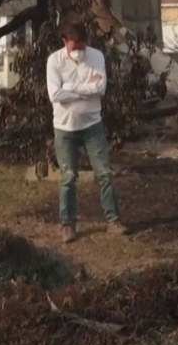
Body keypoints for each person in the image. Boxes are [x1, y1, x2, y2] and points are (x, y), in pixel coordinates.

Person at [46, 21, 127, 243]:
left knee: (104, 173)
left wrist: (69, 88)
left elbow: (99, 88)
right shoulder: (54, 61)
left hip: (92, 125)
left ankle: (113, 220)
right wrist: (84, 89)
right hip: (64, 127)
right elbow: (55, 95)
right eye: (74, 48)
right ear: (65, 43)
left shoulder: (97, 56)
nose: (79, 52)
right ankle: (67, 224)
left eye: (82, 46)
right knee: (68, 177)